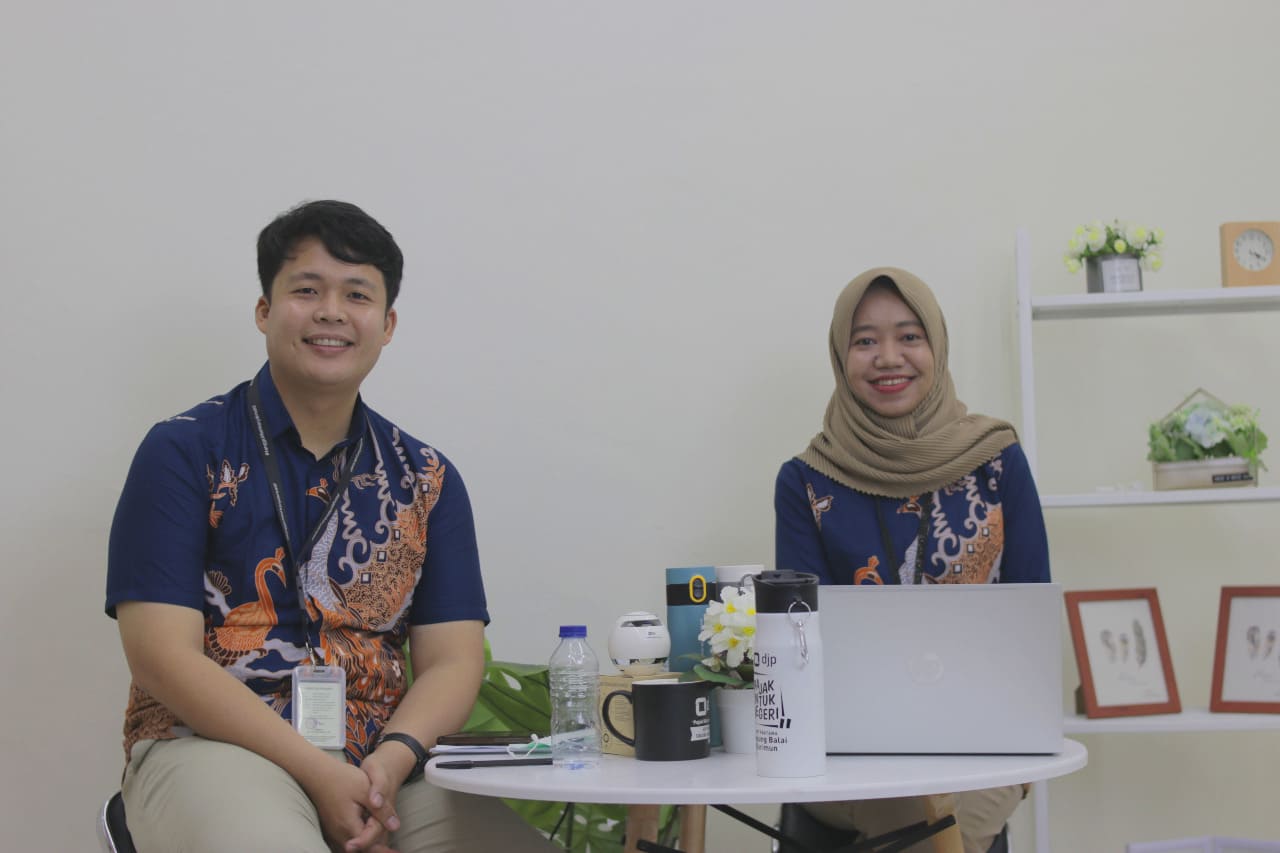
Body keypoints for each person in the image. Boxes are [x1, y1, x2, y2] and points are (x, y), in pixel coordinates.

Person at [106, 200, 557, 853]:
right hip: (212, 745)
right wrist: (320, 773)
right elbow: (160, 654)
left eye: (357, 294)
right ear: (264, 310)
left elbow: (453, 660)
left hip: (383, 763)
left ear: (387, 323)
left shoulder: (427, 478)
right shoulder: (183, 450)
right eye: (307, 290)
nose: (331, 312)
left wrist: (390, 763)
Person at [774, 267, 1051, 853]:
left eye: (909, 336)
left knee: (949, 816)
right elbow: (798, 641)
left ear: (937, 346)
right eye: (865, 340)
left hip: (986, 736)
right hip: (849, 747)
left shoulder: (997, 461)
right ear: (840, 355)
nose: (888, 357)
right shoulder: (805, 481)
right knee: (919, 814)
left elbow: (1032, 621)